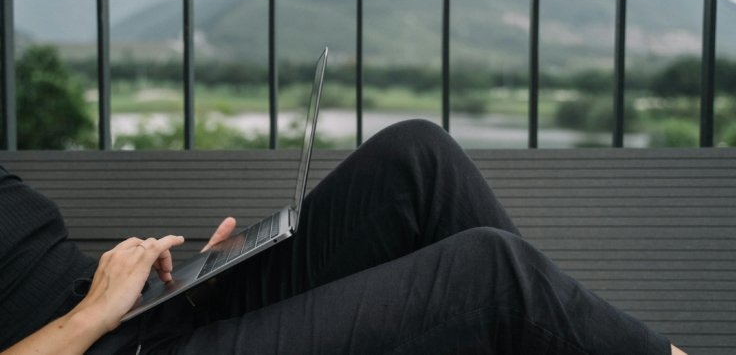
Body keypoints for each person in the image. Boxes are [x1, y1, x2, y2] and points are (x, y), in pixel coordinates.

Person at [0, 120, 686, 354]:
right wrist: (95, 312)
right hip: (116, 342)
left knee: (416, 161)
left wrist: (163, 280)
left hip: (146, 315)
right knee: (488, 277)